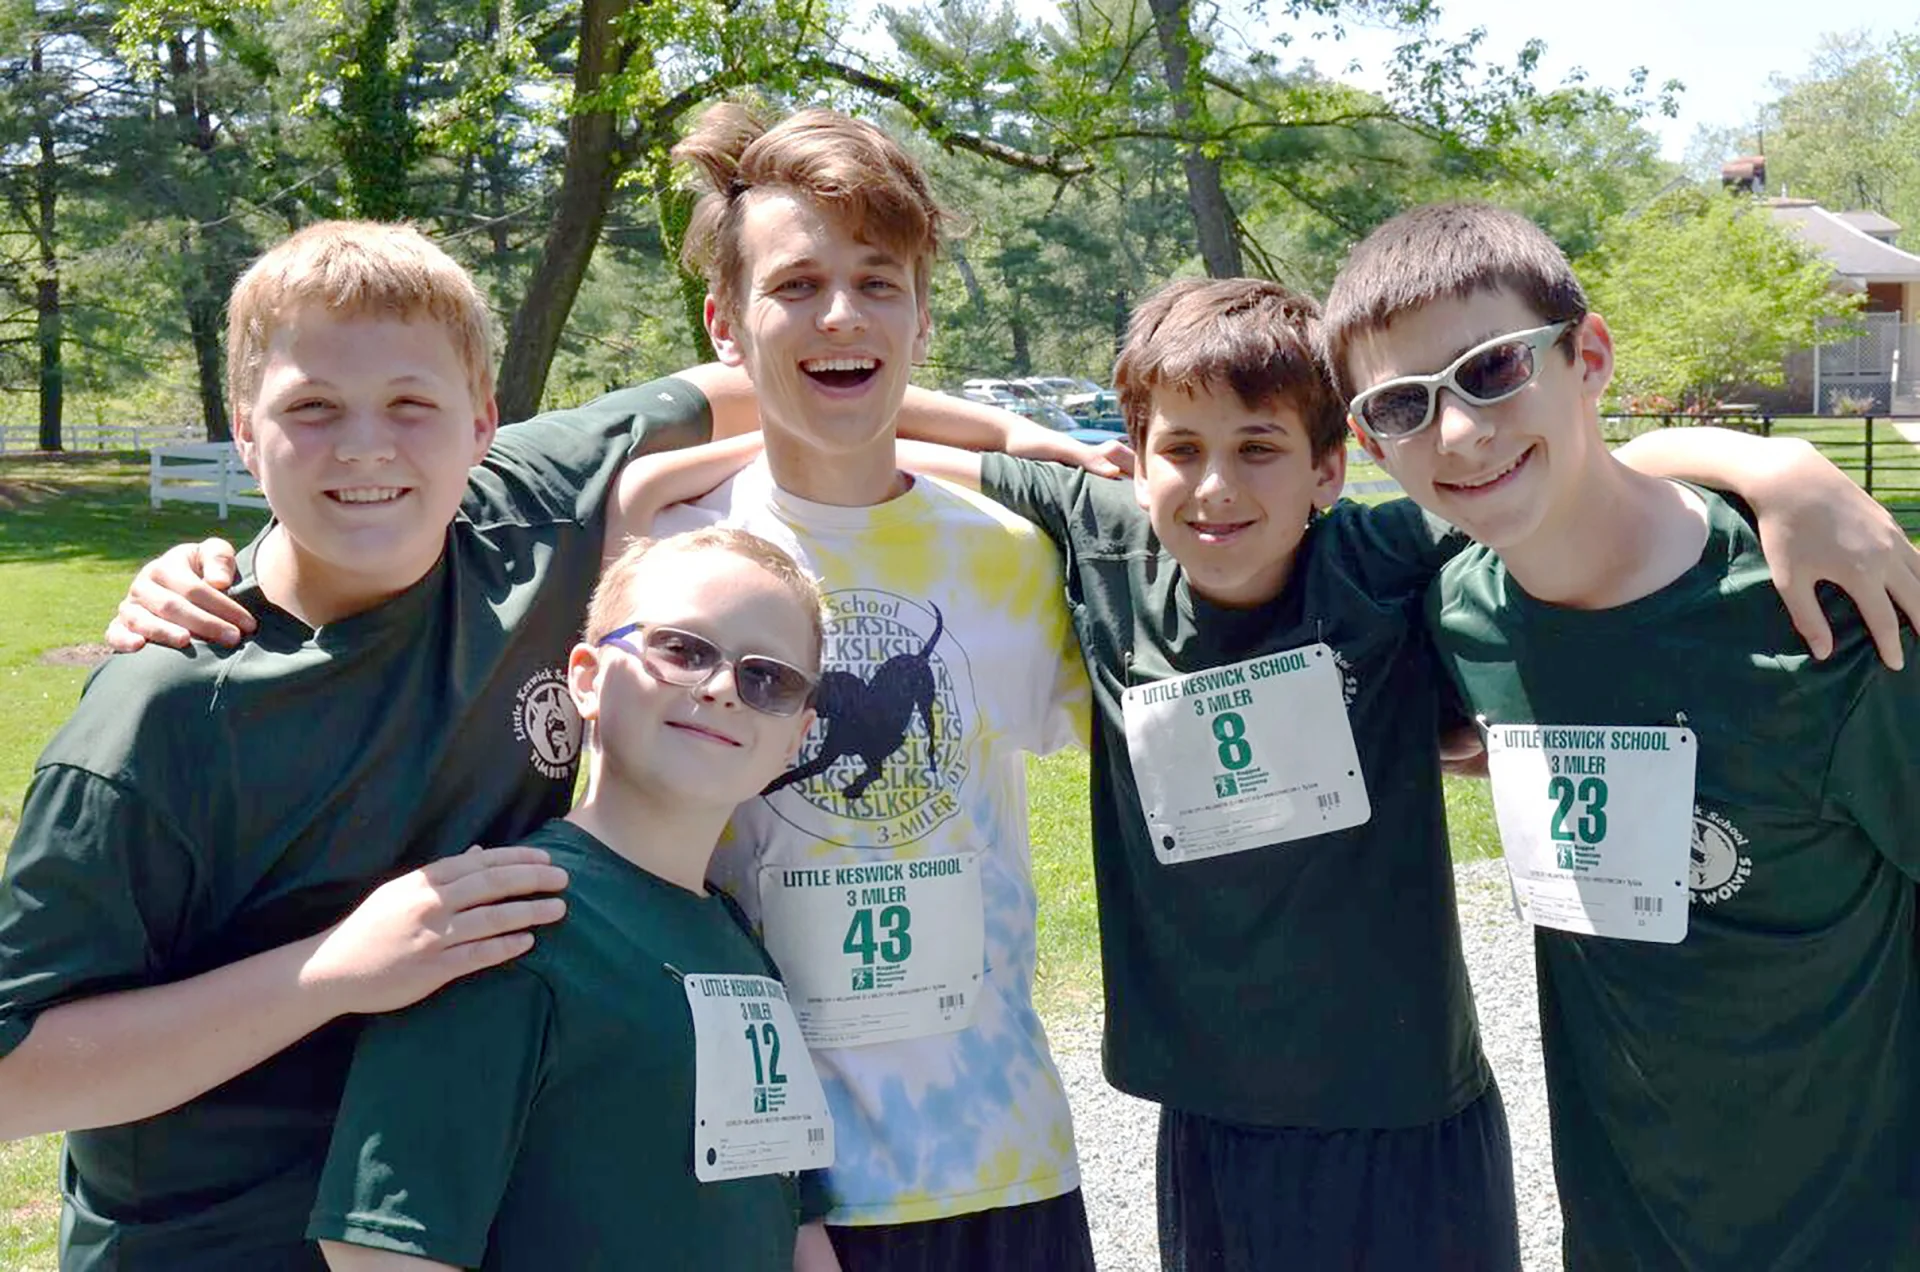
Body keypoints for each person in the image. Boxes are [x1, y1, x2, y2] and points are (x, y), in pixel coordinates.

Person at [870, 275, 1920, 1271]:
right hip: (1215, 1120)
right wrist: (1010, 431)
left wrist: (1779, 468)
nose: (1217, 486)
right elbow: (854, 422)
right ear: (1133, 460)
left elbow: (1570, 469)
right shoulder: (1107, 547)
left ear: (1331, 468)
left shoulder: (1383, 559)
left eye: (1261, 447)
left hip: (1410, 1111)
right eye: (1180, 449)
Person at [1324, 200, 1920, 1270]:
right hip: (1620, 1236)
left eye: (1494, 369)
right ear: (1368, 439)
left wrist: (1778, 471)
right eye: (1405, 403)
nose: (1459, 431)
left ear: (1587, 354)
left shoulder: (1819, 607)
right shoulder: (1456, 621)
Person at [632, 103, 1097, 1269]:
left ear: (922, 317)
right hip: (772, 1194)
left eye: (878, 282)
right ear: (724, 327)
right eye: (795, 285)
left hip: (1001, 1163)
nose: (841, 315)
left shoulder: (1013, 557)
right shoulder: (659, 561)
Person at [307, 527, 841, 1271]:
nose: (721, 688)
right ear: (586, 678)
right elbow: (380, 1251)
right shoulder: (504, 923)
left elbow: (787, 1219)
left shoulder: (734, 937)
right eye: (682, 650)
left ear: (798, 739)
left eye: (770, 679)